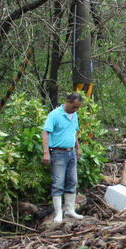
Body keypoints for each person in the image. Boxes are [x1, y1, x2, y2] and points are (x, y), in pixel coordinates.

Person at [42, 93, 84, 223]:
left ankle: (70, 210)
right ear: (67, 102)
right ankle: (58, 212)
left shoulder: (74, 115)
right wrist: (46, 152)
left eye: (78, 108)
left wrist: (77, 148)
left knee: (72, 181)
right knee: (58, 183)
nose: (75, 110)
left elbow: (74, 132)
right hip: (58, 152)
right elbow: (46, 133)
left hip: (71, 152)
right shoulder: (55, 115)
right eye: (74, 107)